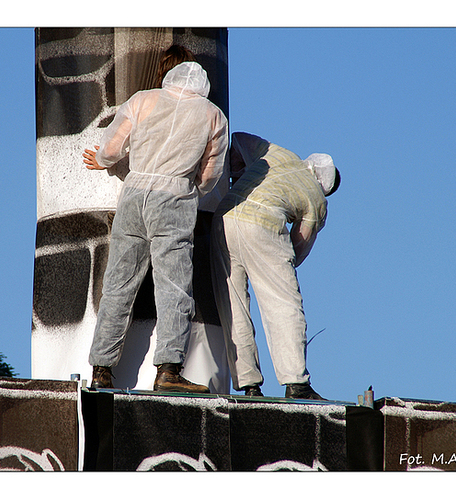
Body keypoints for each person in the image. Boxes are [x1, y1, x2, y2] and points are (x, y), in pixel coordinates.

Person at [83, 46, 228, 393]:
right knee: (174, 287)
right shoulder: (213, 115)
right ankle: (168, 371)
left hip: (134, 193)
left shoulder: (142, 99)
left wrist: (102, 160)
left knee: (118, 284)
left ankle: (101, 369)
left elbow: (113, 147)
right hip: (174, 196)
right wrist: (189, 190)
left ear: (168, 75)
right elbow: (211, 174)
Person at [210, 132, 340, 400]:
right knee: (284, 304)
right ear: (324, 186)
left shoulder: (280, 154)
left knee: (233, 305)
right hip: (263, 223)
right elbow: (298, 247)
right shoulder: (317, 199)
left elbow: (238, 139)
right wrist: (275, 267)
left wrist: (239, 174)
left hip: (224, 215)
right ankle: (296, 383)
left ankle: (249, 385)